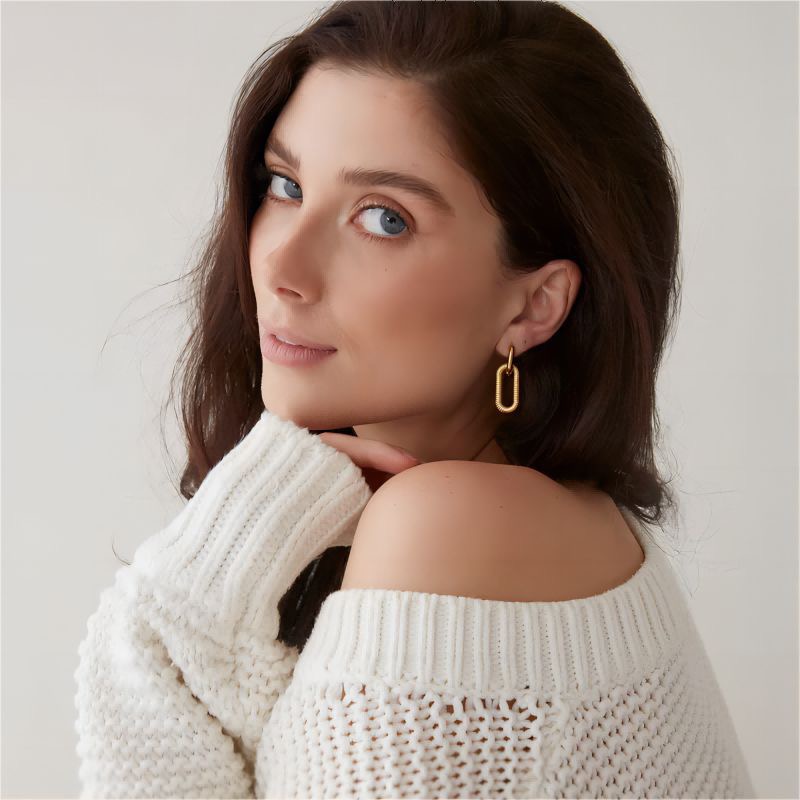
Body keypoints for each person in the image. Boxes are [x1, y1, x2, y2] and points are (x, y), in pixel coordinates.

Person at [73, 1, 755, 797]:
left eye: (383, 218)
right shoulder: (542, 520)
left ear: (534, 306)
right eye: (286, 185)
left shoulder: (451, 529)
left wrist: (182, 598)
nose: (283, 268)